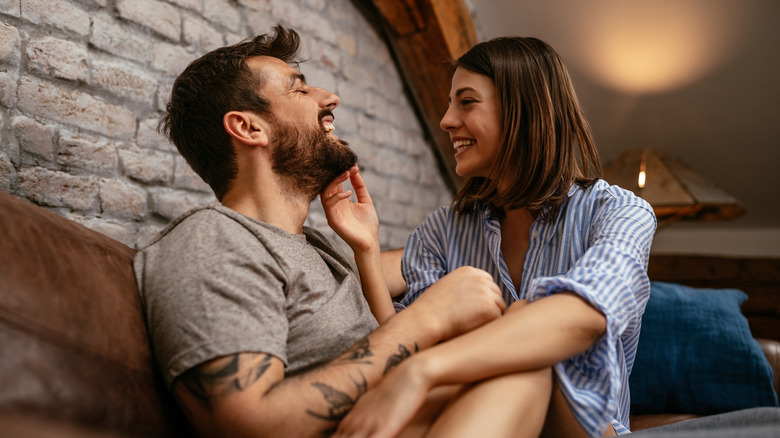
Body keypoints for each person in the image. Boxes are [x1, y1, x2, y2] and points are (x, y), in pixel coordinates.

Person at [133, 25, 508, 438]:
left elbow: (430, 259)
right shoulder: (210, 241)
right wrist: (426, 319)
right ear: (250, 128)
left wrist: (367, 247)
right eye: (299, 90)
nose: (331, 98)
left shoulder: (319, 246)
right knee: (516, 371)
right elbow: (248, 424)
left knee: (523, 337)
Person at [333, 36, 657, 437]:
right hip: (472, 415)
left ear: (524, 110)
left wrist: (423, 371)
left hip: (579, 428)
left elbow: (582, 318)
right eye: (451, 103)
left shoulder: (621, 214)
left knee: (529, 332)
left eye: (466, 101)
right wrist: (366, 247)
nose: (447, 120)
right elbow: (404, 338)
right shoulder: (445, 228)